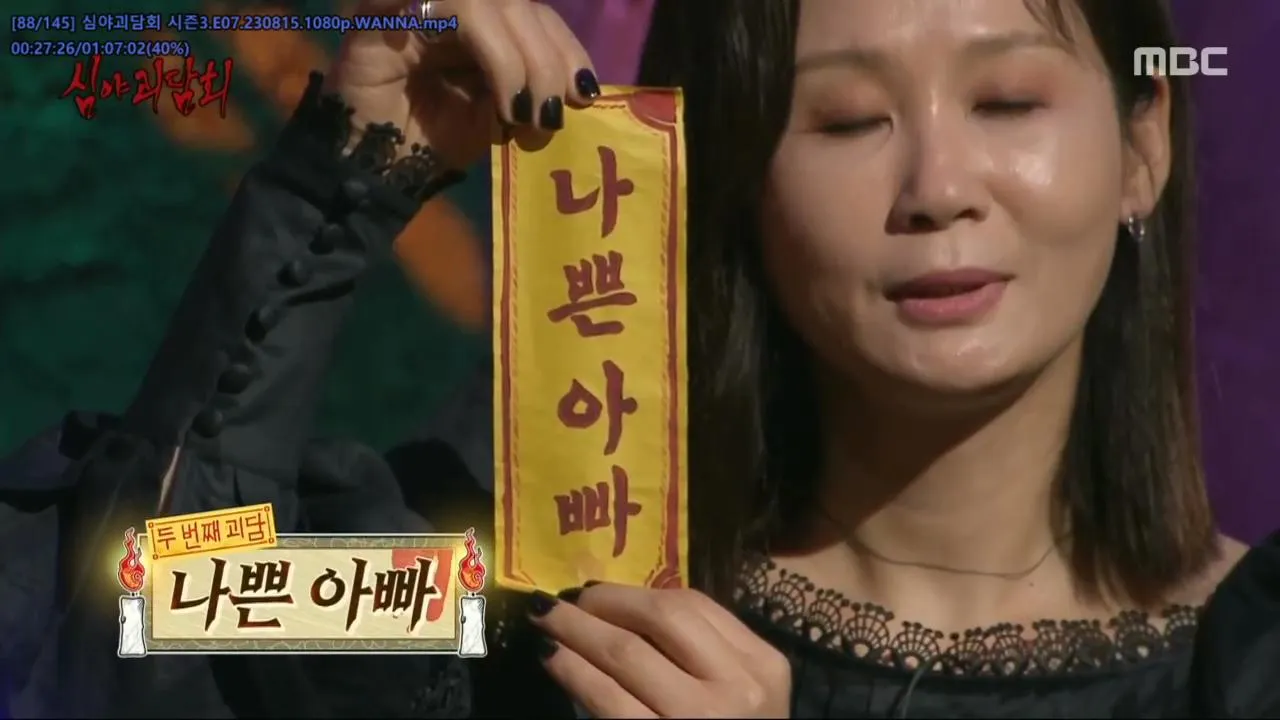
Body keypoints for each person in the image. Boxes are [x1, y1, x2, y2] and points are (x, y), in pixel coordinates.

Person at [2, 0, 1278, 717]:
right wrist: (350, 169)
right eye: (844, 120)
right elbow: (139, 614)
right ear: (730, 181)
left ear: (1142, 146)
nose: (938, 186)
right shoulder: (530, 601)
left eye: (1005, 102)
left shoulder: (1245, 665)